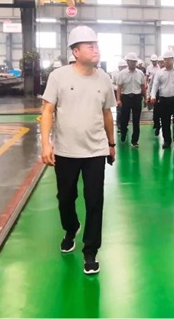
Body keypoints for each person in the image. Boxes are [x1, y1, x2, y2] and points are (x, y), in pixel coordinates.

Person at [40, 25, 117, 275]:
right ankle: (71, 227)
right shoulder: (58, 77)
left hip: (95, 150)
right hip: (65, 151)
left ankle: (90, 251)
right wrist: (46, 143)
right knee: (65, 198)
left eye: (97, 45)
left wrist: (111, 144)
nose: (96, 50)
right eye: (90, 46)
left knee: (95, 201)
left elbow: (107, 113)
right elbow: (47, 110)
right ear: (76, 51)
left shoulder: (104, 78)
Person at [116, 52, 146, 148]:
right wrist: (118, 100)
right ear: (127, 62)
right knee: (124, 119)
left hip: (137, 98)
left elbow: (143, 86)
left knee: (136, 121)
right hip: (125, 98)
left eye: (134, 61)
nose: (133, 63)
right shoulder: (122, 74)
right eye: (131, 61)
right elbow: (119, 87)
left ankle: (135, 140)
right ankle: (123, 132)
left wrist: (145, 98)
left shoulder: (140, 73)